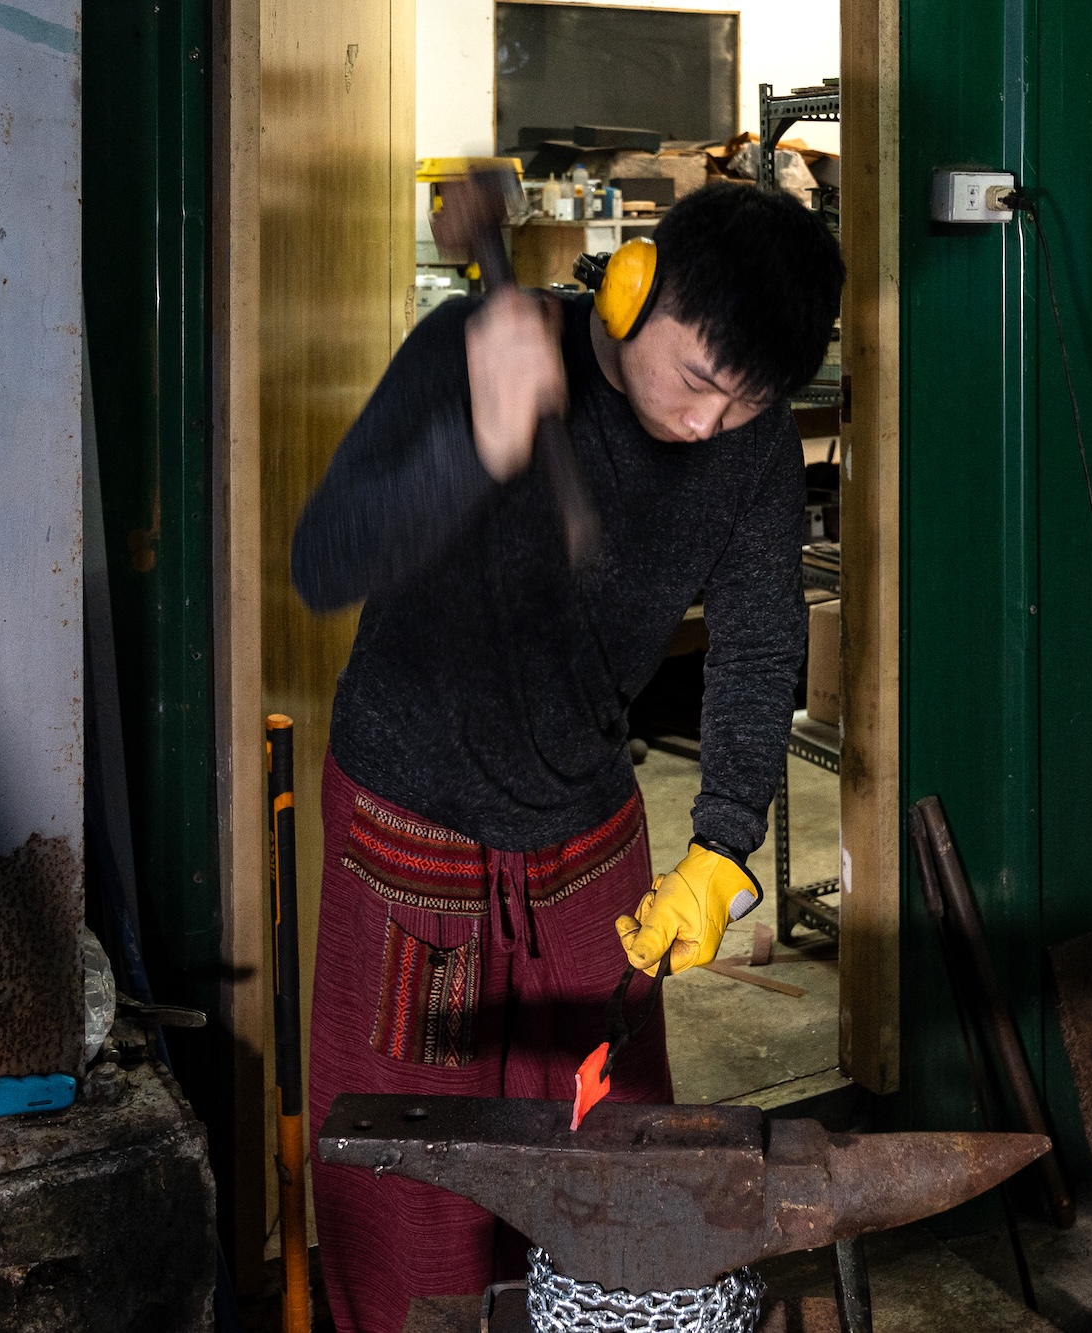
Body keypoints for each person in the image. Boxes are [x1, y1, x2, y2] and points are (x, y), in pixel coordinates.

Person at [290, 180, 845, 1333]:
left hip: (586, 843)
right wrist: (472, 450)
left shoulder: (744, 443)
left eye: (743, 405)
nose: (707, 425)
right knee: (411, 1210)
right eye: (696, 381)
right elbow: (323, 558)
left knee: (620, 1191)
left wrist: (722, 841)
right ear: (635, 288)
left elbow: (756, 635)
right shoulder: (470, 347)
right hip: (414, 842)